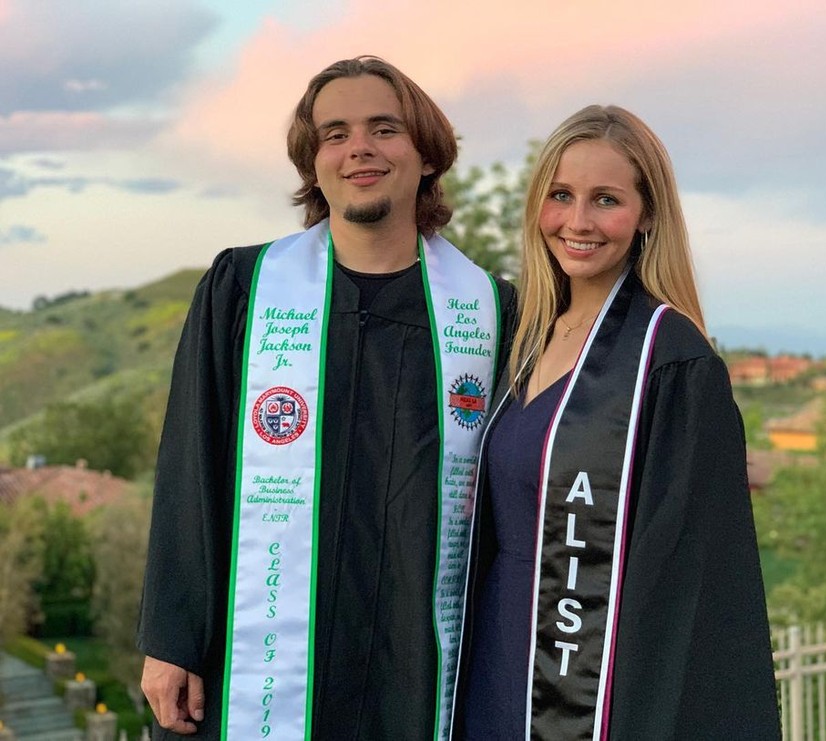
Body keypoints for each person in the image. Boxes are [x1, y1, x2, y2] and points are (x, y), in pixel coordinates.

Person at [138, 56, 515, 740]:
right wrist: (171, 635)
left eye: (384, 128)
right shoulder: (243, 290)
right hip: (250, 659)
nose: (358, 149)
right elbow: (189, 464)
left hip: (417, 664)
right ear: (313, 163)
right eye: (334, 133)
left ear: (427, 154)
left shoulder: (491, 313)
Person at [452, 106, 781, 739]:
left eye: (606, 200)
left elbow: (691, 576)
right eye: (561, 196)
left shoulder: (671, 359)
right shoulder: (522, 339)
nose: (577, 222)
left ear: (648, 214)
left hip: (596, 680)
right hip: (493, 653)